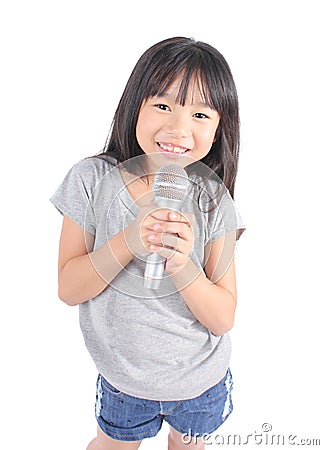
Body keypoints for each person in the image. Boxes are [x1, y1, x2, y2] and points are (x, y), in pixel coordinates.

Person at [50, 36, 245, 450]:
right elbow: (69, 288)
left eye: (200, 114)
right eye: (162, 105)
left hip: (198, 382)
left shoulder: (213, 202)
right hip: (122, 379)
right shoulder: (91, 181)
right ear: (134, 103)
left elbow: (222, 317)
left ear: (219, 128)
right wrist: (129, 239)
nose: (178, 129)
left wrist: (183, 265)